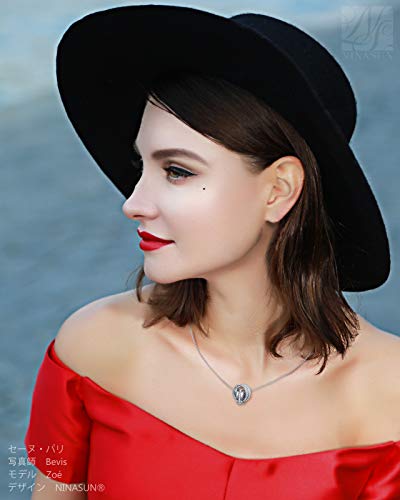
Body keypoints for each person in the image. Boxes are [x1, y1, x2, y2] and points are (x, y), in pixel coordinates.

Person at [24, 4, 400, 499]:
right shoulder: (92, 347)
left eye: (177, 171)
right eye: (141, 168)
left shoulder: (387, 398)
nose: (132, 203)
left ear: (278, 191)